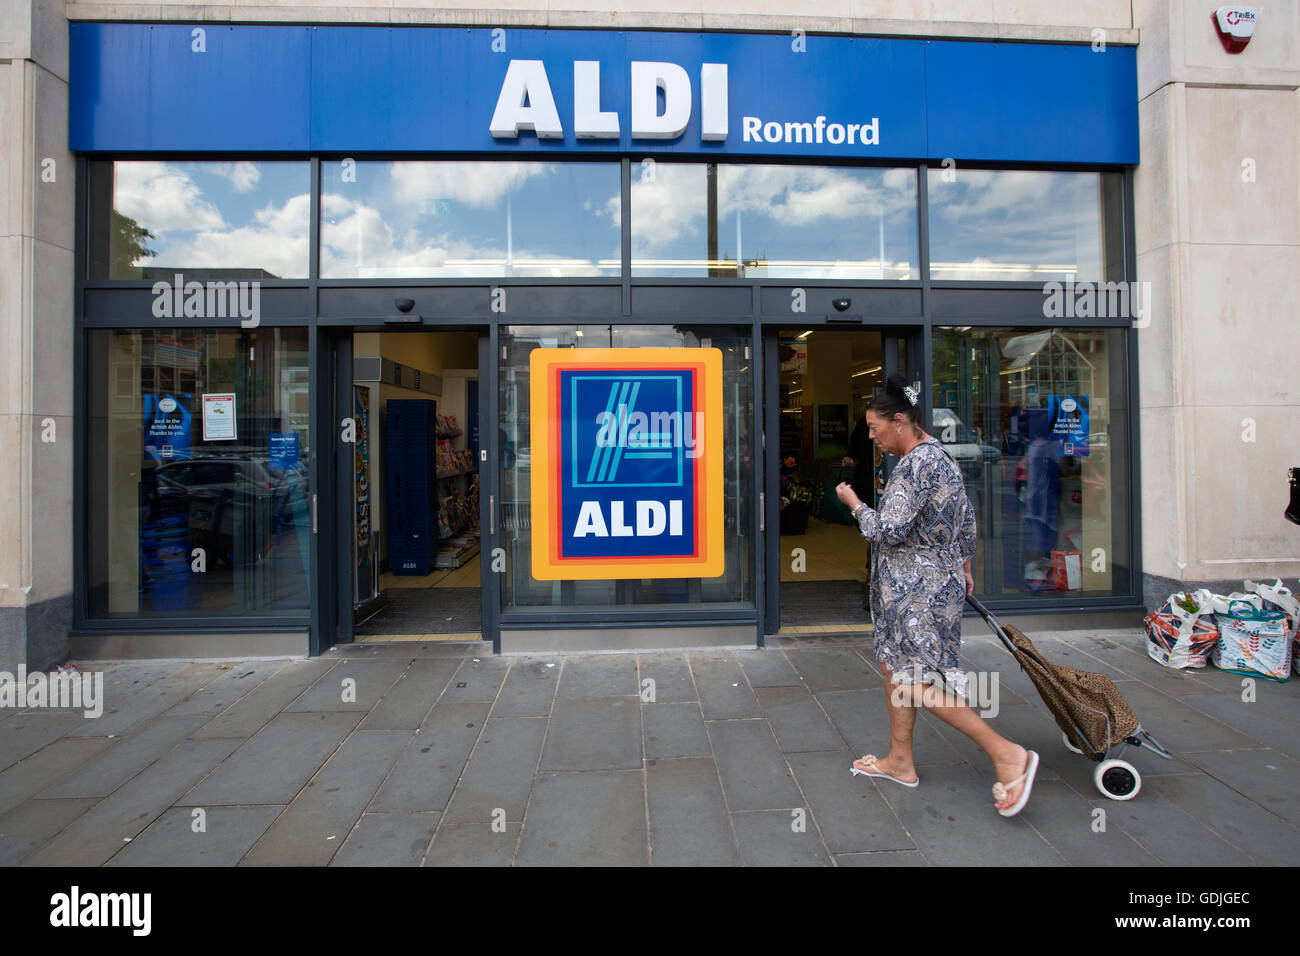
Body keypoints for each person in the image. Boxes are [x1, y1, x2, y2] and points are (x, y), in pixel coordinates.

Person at [834, 374, 1039, 818]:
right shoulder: (939, 456)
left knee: (914, 681)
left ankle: (1007, 755)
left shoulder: (914, 466)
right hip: (920, 587)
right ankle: (900, 761)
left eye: (875, 427)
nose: (871, 436)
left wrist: (853, 502)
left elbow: (887, 531)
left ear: (901, 421)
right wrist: (963, 565)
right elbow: (965, 518)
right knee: (895, 669)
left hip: (917, 594)